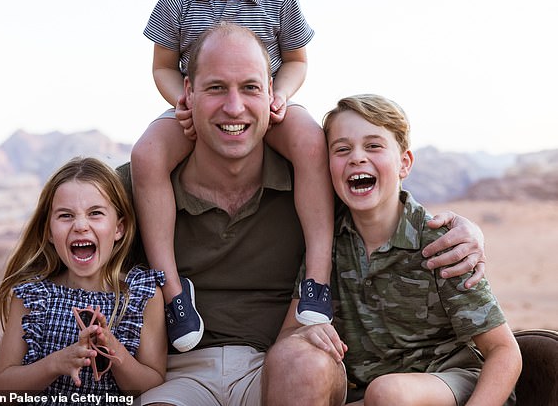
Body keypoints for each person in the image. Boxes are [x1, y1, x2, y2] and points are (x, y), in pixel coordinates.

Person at [126, 23, 486, 405]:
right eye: (216, 88)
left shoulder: (312, 183)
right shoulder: (143, 186)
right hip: (181, 376)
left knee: (303, 364)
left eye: (250, 87)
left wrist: (469, 231)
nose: (234, 107)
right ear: (188, 93)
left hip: (280, 365)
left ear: (272, 95)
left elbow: (386, 210)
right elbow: (71, 231)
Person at [130, 0, 336, 352]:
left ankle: (319, 279)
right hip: (200, 108)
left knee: (310, 140)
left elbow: (297, 59)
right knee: (146, 155)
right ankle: (173, 291)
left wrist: (280, 93)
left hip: (265, 105)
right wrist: (179, 96)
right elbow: (161, 65)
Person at [267, 94, 521, 406]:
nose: (357, 157)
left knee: (389, 392)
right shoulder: (326, 242)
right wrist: (305, 335)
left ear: (404, 163)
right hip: (370, 395)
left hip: (451, 384)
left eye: (373, 146)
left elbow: (504, 351)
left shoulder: (441, 243)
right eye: (342, 149)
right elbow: (287, 338)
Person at [0, 157, 167, 399]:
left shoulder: (142, 294)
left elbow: (152, 383)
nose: (81, 225)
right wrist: (56, 363)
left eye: (95, 213)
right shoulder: (33, 296)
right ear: (49, 231)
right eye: (65, 216)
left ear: (118, 228)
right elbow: (2, 389)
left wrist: (111, 348)